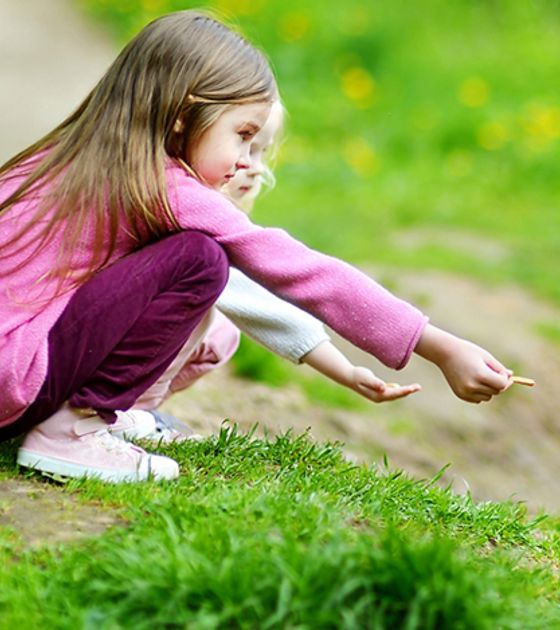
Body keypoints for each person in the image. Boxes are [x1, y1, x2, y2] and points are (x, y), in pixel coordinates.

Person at [0, 10, 513, 483]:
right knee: (199, 261)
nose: (247, 160)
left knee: (210, 307)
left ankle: (103, 416)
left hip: (13, 367)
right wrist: (439, 347)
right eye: (242, 135)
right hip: (14, 379)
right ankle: (71, 431)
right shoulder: (165, 186)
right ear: (182, 114)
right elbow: (301, 270)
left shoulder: (62, 159)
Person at [111, 102, 421, 442]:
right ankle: (127, 412)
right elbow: (265, 307)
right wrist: (346, 372)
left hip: (106, 337)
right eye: (242, 142)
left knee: (221, 333)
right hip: (105, 345)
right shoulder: (192, 223)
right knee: (213, 314)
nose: (254, 167)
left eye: (260, 151)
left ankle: (136, 408)